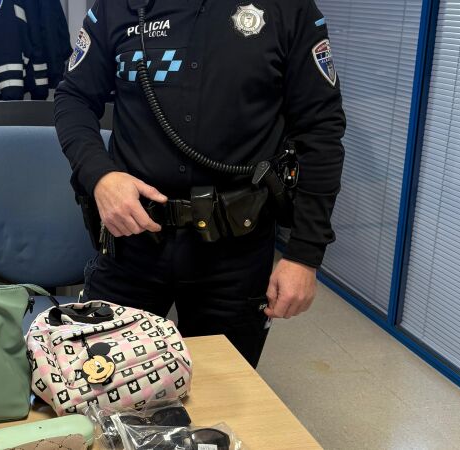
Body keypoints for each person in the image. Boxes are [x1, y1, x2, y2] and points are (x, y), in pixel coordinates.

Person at [54, 0, 345, 367]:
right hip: (132, 241)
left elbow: (321, 133)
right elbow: (74, 97)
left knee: (222, 392)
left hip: (235, 251)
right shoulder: (118, 7)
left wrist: (304, 255)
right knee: (100, 379)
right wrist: (100, 175)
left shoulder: (288, 9)